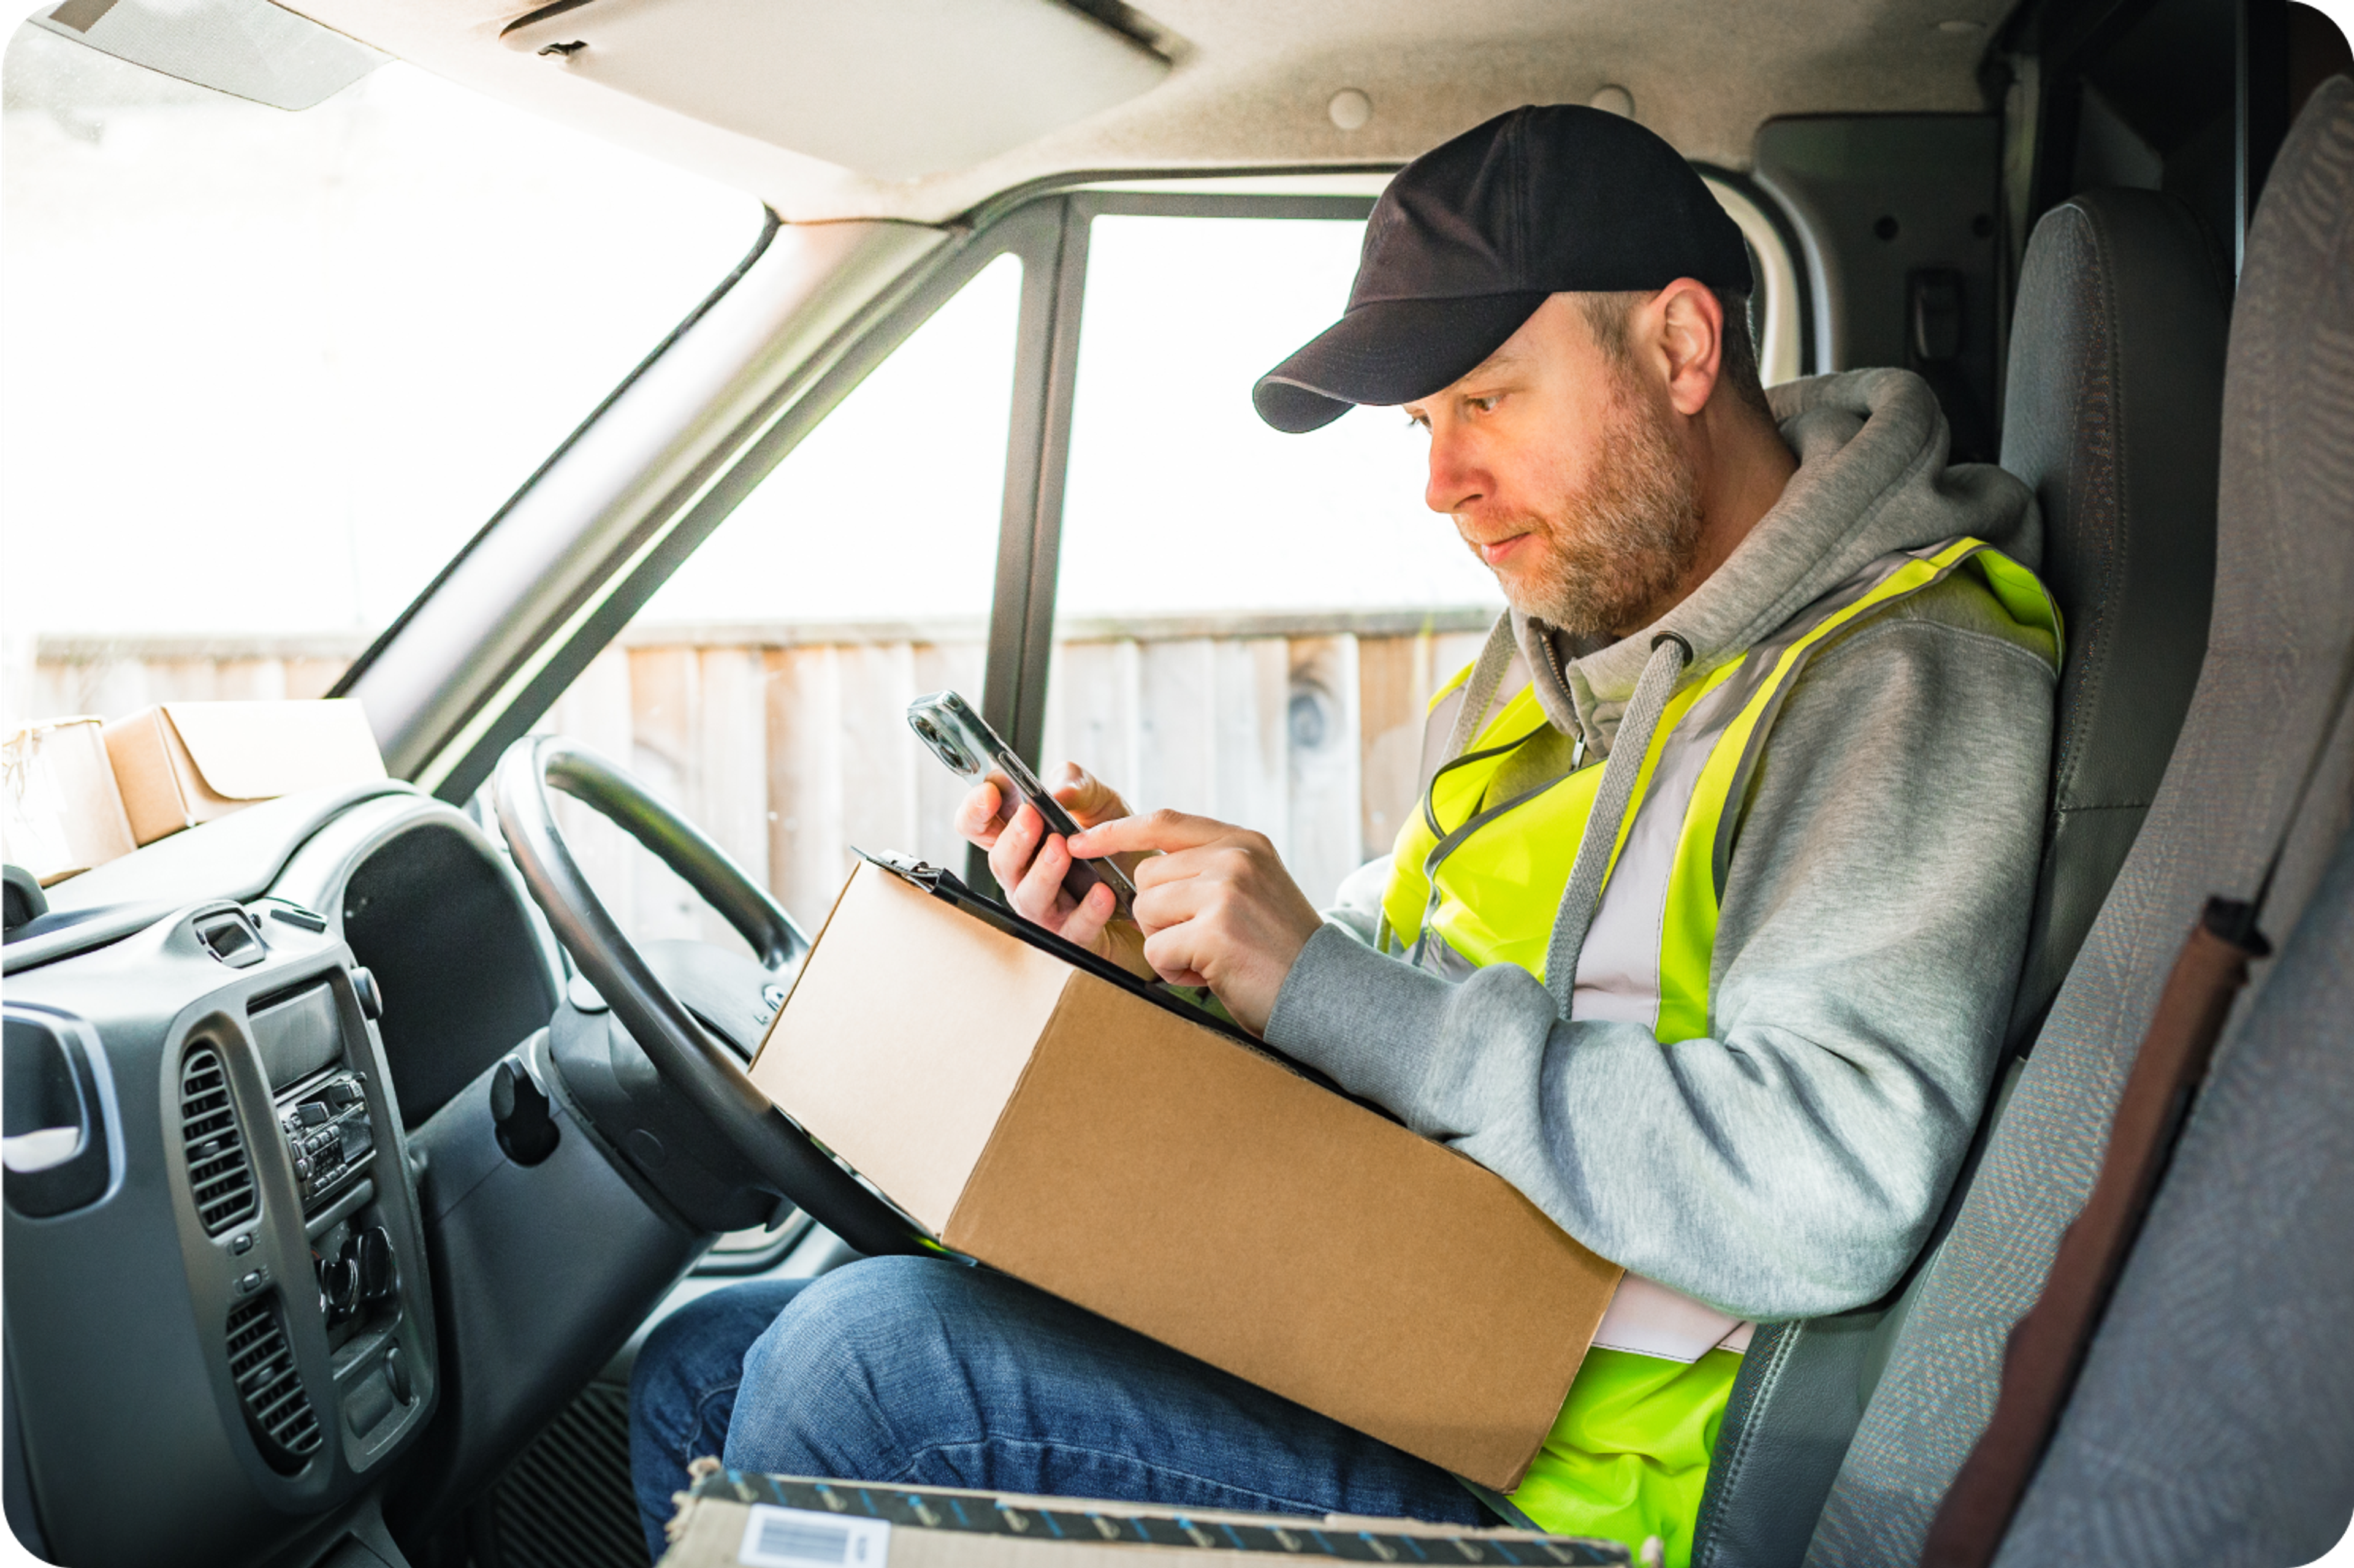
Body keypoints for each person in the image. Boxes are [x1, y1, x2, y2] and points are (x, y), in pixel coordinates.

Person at [630, 104, 2059, 1567]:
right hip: (1394, 1330)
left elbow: (1835, 1185)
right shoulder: (1549, 662)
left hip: (1574, 1488)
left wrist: (1328, 989)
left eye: (1487, 401)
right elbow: (1390, 974)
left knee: (859, 1369)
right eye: (1423, 426)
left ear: (1683, 350)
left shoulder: (1901, 676)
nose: (1439, 485)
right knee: (706, 1361)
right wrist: (1168, 957)